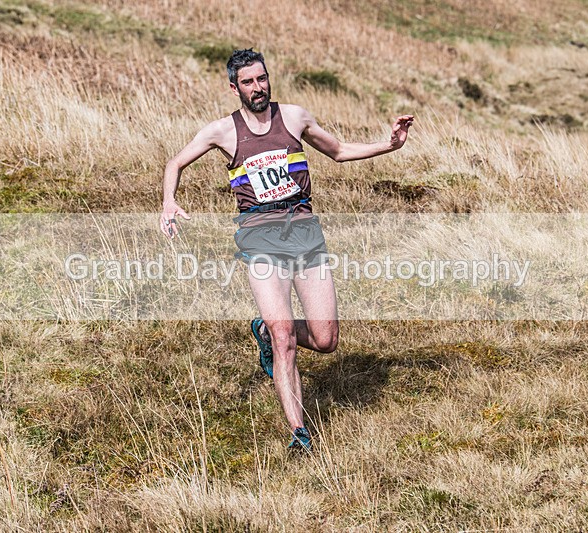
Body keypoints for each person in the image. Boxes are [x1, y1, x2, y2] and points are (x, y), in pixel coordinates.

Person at [160, 48, 413, 451]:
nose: (257, 87)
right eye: (247, 82)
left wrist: (390, 145)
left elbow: (340, 151)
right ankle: (299, 431)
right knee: (285, 338)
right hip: (259, 236)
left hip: (305, 234)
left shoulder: (294, 117)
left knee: (326, 339)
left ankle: (262, 329)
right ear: (234, 87)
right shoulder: (222, 132)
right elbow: (175, 163)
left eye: (261, 79)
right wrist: (169, 201)